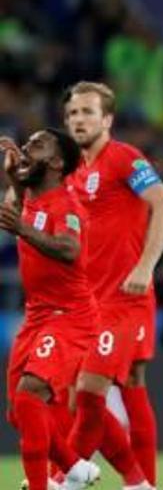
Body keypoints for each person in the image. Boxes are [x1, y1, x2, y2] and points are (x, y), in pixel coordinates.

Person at [63, 80, 163, 488]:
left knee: (92, 390)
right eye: (74, 113)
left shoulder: (124, 159)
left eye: (88, 112)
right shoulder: (72, 171)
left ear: (107, 119)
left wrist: (146, 266)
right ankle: (140, 483)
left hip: (125, 299)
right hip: (86, 302)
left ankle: (65, 476)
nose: (79, 119)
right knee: (112, 389)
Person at [1, 130, 101, 490]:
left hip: (69, 317)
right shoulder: (32, 193)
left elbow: (70, 249)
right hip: (37, 316)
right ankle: (74, 465)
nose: (27, 148)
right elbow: (25, 188)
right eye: (27, 143)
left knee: (29, 397)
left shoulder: (67, 205)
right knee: (19, 413)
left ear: (57, 163)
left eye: (37, 145)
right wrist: (13, 172)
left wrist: (22, 229)